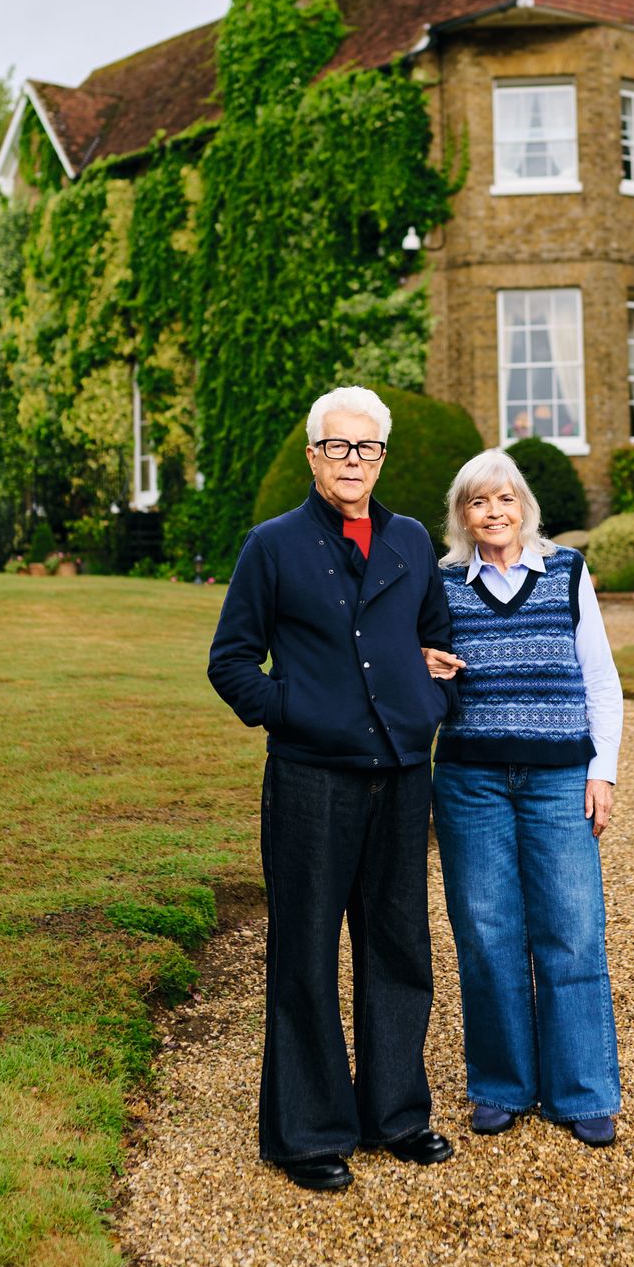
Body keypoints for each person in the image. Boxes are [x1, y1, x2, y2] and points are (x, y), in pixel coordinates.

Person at [207, 385, 458, 1193]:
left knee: (398, 946)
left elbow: (437, 641)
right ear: (315, 454)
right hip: (312, 779)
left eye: (368, 448)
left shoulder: (413, 541)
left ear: (382, 457)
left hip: (397, 774)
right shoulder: (272, 546)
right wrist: (299, 712)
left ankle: (395, 1116)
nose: (354, 462)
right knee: (306, 952)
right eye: (338, 447)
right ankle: (309, 1131)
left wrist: (430, 702)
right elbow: (232, 663)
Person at [423, 448, 623, 1146]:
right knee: (486, 934)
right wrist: (423, 662)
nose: (494, 512)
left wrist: (603, 772)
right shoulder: (442, 584)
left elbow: (600, 681)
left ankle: (583, 1090)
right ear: (463, 515)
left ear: (524, 507)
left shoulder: (567, 571)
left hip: (558, 779)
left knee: (570, 929)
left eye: (505, 499)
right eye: (479, 502)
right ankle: (501, 1087)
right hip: (471, 781)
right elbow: (415, 672)